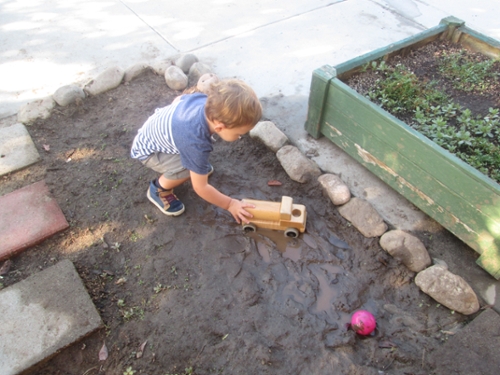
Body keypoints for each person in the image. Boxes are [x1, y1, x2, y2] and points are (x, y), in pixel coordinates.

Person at [130, 77, 262, 224]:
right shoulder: (196, 143)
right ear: (219, 127)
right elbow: (200, 187)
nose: (239, 138)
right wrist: (231, 204)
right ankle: (158, 189)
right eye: (239, 134)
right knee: (189, 169)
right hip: (149, 152)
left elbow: (179, 99)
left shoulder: (204, 101)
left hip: (156, 134)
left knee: (197, 165)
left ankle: (189, 164)